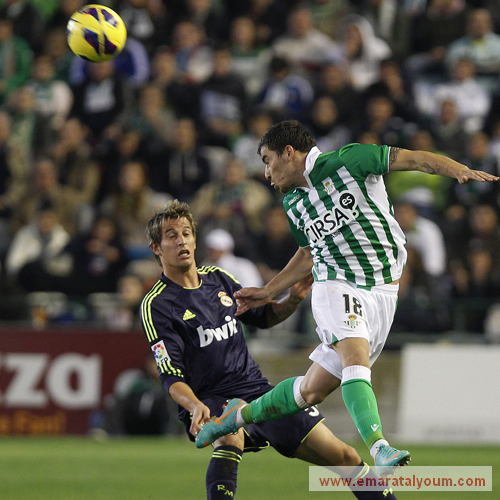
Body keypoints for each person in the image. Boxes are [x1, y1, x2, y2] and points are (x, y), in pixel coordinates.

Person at [195, 119, 499, 476]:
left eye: (267, 160)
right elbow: (308, 254)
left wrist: (457, 170)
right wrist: (268, 291)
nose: (266, 172)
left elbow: (415, 159)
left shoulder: (349, 160)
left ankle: (236, 416)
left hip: (383, 290)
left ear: (288, 153)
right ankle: (380, 446)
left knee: (310, 392)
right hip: (335, 283)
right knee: (356, 358)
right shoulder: (293, 203)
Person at [141, 200, 398, 500]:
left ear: (195, 240)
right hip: (209, 398)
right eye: (171, 235)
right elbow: (170, 376)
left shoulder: (218, 279)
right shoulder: (157, 304)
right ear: (156, 248)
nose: (181, 241)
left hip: (258, 391)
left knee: (345, 457)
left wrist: (292, 300)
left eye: (186, 233)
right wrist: (195, 405)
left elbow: (263, 318)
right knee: (229, 437)